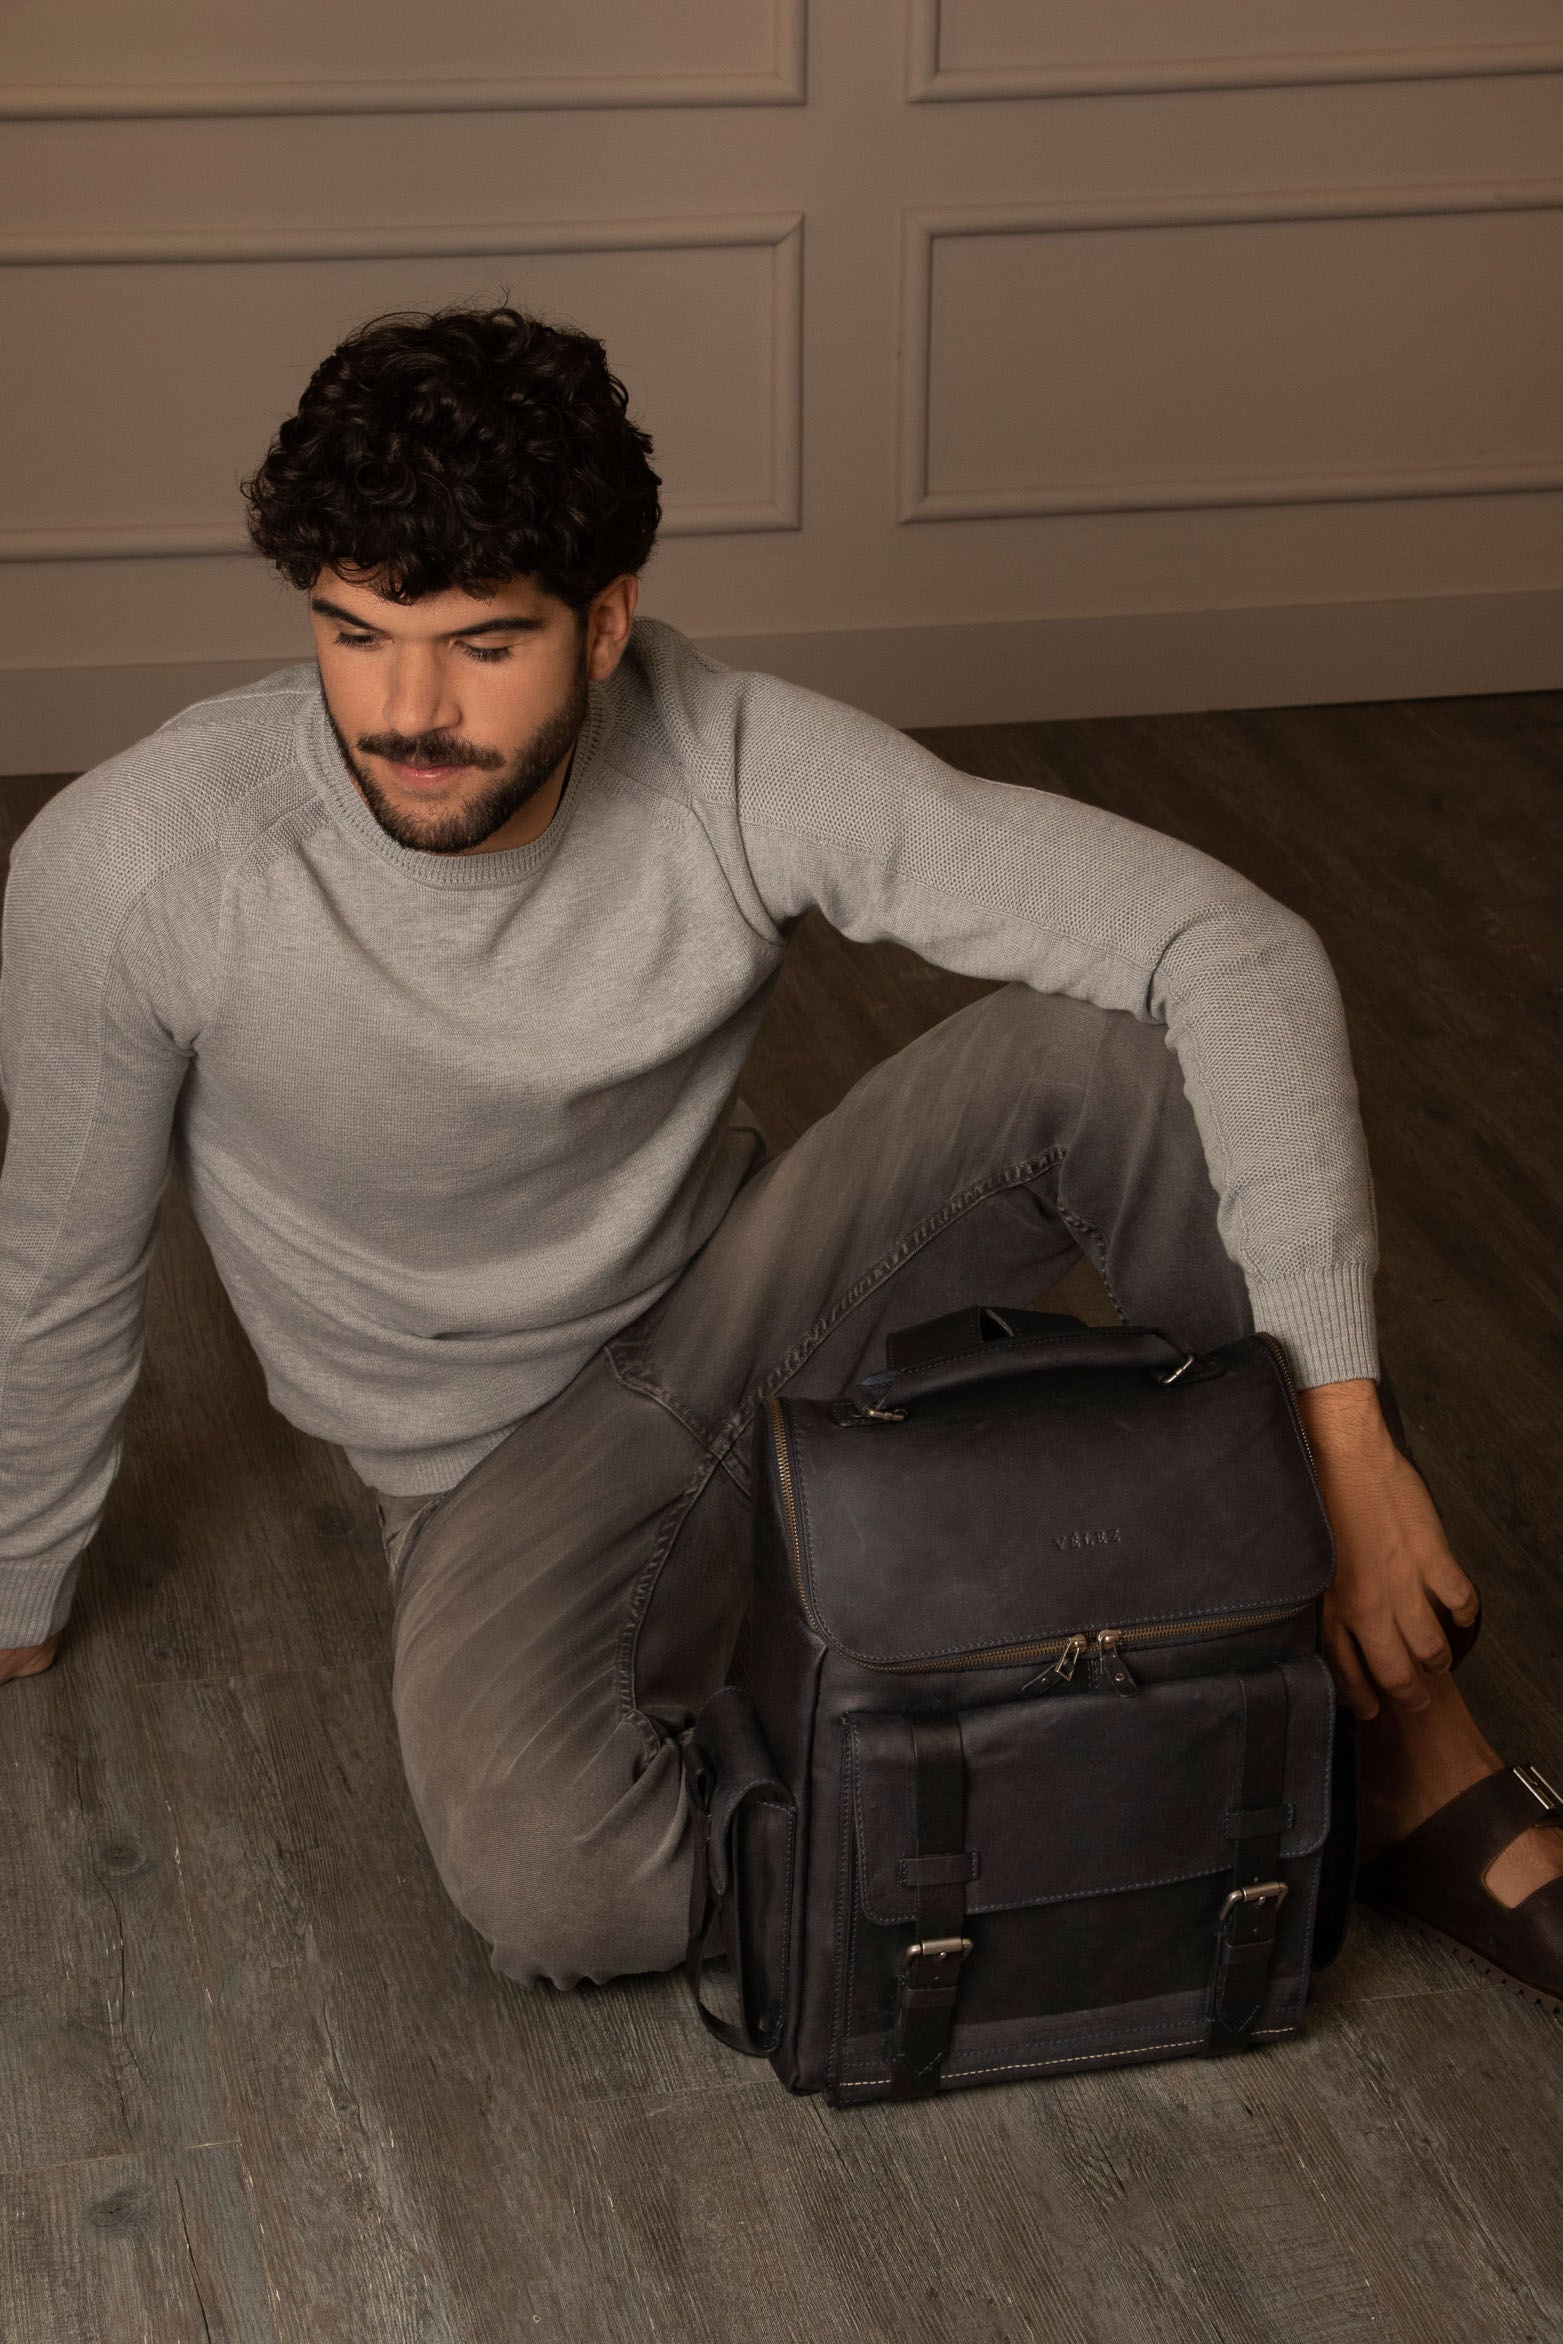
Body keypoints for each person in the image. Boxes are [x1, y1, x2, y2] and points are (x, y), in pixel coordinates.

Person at [2, 307, 1558, 2008]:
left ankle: (1404, 1743)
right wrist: (16, 1574)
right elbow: (57, 1266)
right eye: (359, 636)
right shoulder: (148, 864)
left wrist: (1340, 1423)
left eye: (482, 644)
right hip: (484, 1484)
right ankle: (1093, 1719)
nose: (409, 710)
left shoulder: (731, 762)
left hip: (757, 1330)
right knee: (561, 1893)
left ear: (607, 623)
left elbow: (1227, 940)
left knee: (1105, 1056)